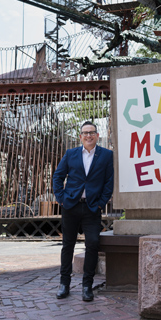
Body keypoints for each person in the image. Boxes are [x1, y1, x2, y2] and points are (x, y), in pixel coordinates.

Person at [53, 121, 114, 302]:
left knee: (93, 244)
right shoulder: (71, 154)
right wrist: (61, 199)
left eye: (92, 132)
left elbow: (109, 182)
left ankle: (87, 286)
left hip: (92, 207)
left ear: (96, 135)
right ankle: (64, 284)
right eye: (85, 133)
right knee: (68, 245)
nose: (88, 135)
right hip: (70, 206)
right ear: (80, 137)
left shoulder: (106, 155)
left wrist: (101, 203)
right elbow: (58, 176)